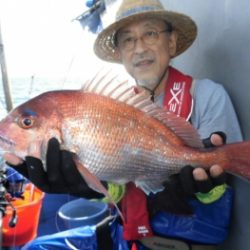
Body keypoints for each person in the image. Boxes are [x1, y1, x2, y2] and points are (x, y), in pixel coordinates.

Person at [4, 0, 243, 249]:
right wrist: (91, 188)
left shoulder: (207, 95)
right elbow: (117, 183)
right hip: (127, 237)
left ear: (171, 42)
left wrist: (208, 187)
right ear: (119, 53)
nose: (139, 48)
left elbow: (224, 175)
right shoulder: (112, 105)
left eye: (150, 33)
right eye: (128, 40)